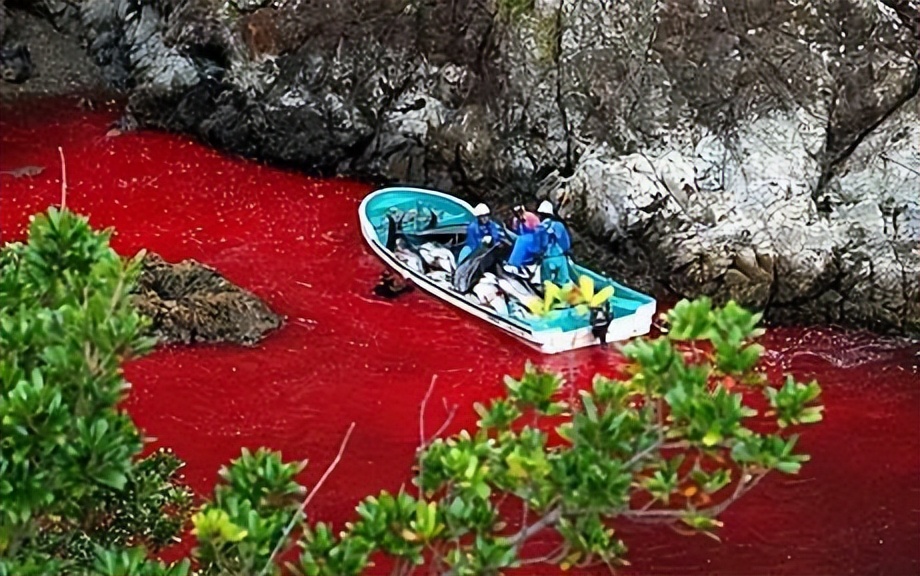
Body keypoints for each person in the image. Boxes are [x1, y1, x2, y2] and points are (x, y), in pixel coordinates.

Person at [536, 200, 573, 285]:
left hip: (546, 259)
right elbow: (566, 243)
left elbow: (538, 246)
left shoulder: (539, 228)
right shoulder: (559, 225)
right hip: (560, 258)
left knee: (546, 283)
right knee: (564, 282)